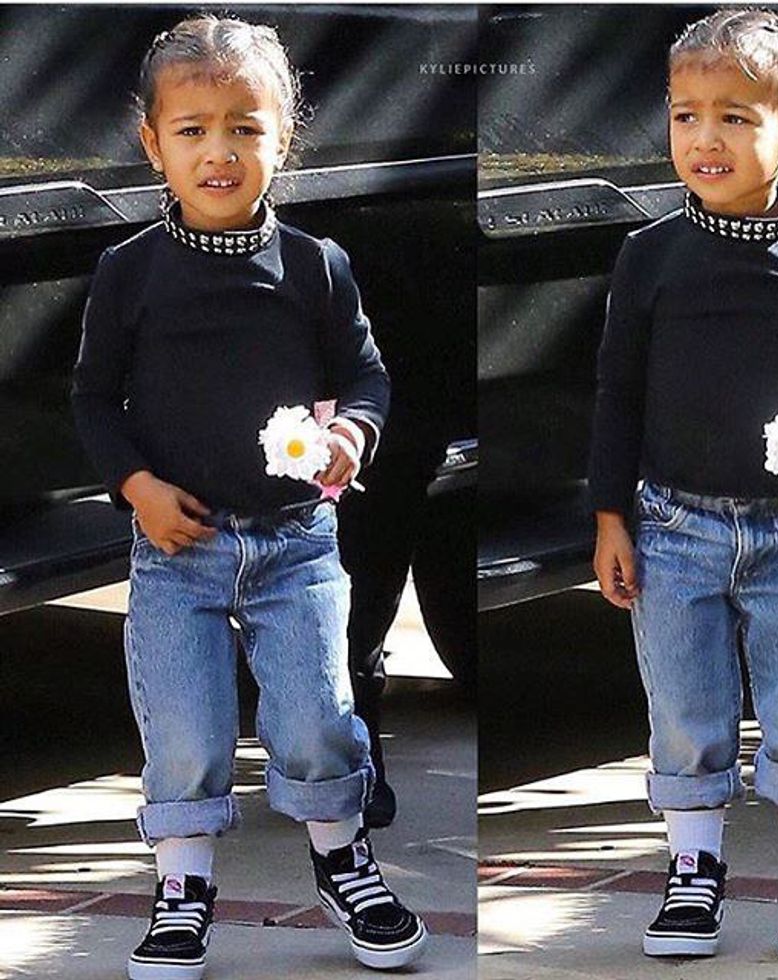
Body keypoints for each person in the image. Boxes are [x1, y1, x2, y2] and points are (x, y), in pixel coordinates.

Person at [71, 16, 427, 978]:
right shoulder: (129, 272)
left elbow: (367, 377)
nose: (219, 152)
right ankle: (183, 889)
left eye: (244, 128)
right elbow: (94, 401)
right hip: (175, 549)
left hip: (295, 544)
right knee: (185, 729)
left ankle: (342, 862)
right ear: (153, 143)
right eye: (192, 130)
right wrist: (137, 488)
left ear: (284, 137)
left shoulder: (315, 265)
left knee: (316, 719)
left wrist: (353, 434)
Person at [589, 8, 778, 963]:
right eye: (686, 115)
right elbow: (617, 393)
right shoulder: (649, 256)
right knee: (686, 712)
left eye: (734, 116)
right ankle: (693, 874)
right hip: (672, 528)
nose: (704, 137)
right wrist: (610, 516)